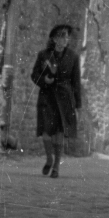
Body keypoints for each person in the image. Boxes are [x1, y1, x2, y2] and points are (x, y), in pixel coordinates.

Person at [31, 23, 81, 179]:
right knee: (46, 131)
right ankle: (49, 158)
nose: (65, 39)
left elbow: (76, 82)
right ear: (54, 39)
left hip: (64, 98)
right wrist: (44, 80)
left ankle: (56, 166)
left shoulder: (73, 57)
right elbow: (34, 75)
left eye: (67, 36)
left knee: (59, 132)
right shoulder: (43, 55)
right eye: (62, 36)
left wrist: (78, 106)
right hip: (47, 96)